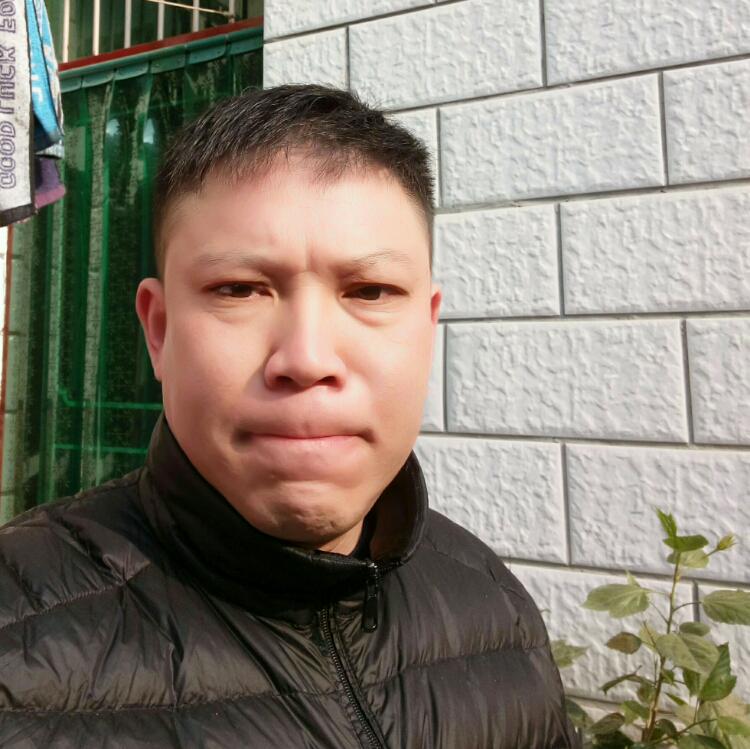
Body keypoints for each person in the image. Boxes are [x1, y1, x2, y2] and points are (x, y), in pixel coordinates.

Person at [0, 84, 579, 748]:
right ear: (159, 330)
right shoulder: (15, 642)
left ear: (428, 328)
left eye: (370, 291)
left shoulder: (497, 611)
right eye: (239, 289)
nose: (306, 359)